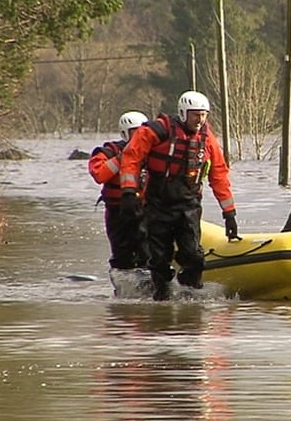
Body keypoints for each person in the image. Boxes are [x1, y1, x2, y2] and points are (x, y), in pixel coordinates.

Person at [119, 91, 239, 301]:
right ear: (183, 113)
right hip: (157, 203)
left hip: (189, 204)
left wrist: (229, 213)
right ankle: (161, 296)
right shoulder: (157, 131)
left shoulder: (207, 139)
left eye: (203, 115)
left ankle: (190, 298)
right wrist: (129, 191)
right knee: (159, 258)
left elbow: (219, 174)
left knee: (193, 255)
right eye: (196, 115)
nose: (200, 120)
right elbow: (131, 157)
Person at [88, 110, 150, 273]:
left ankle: (152, 281)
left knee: (147, 251)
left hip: (146, 210)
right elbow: (99, 174)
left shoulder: (152, 152)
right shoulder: (108, 152)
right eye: (135, 133)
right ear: (125, 133)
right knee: (123, 255)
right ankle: (125, 284)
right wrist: (122, 159)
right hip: (119, 213)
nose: (139, 138)